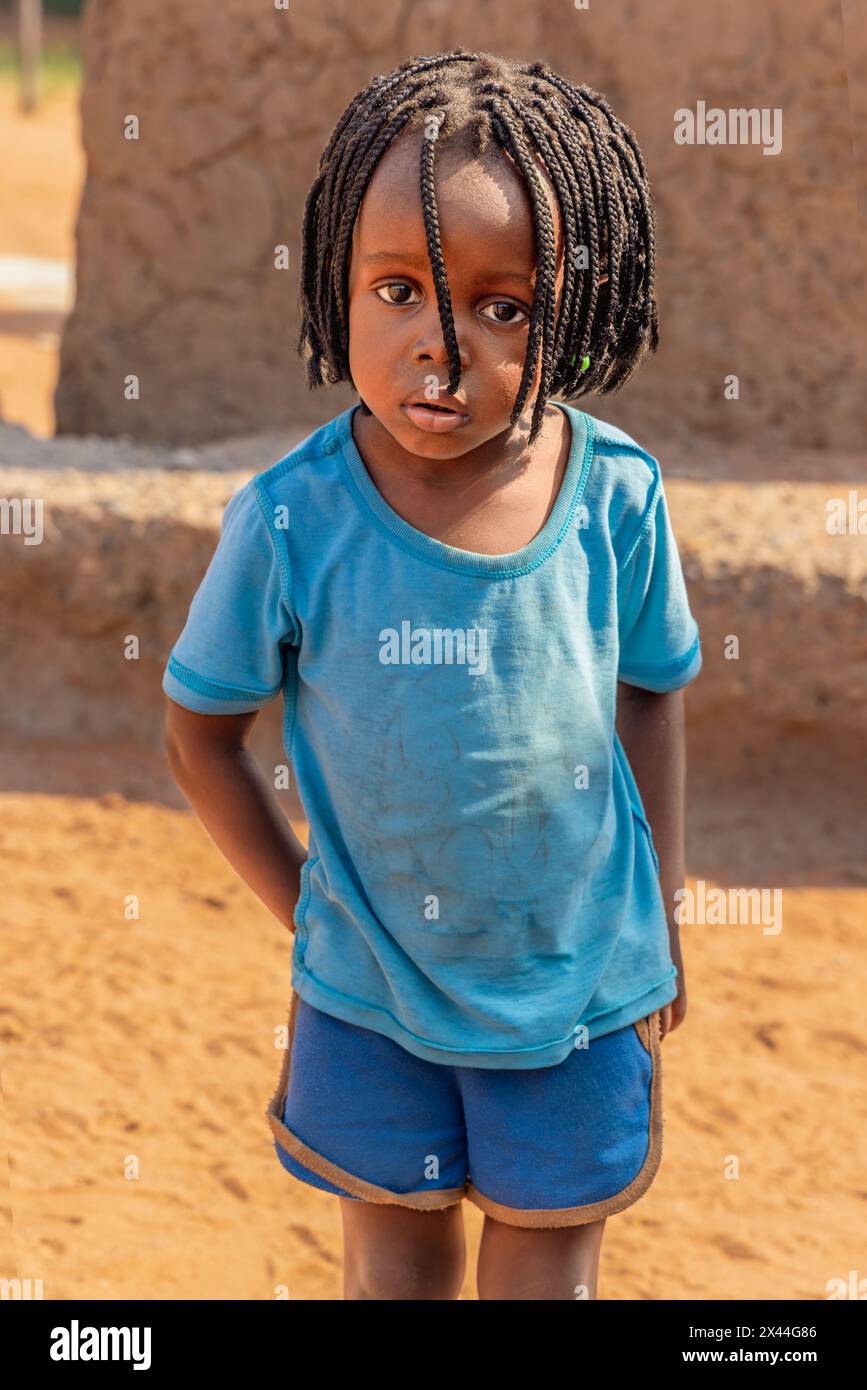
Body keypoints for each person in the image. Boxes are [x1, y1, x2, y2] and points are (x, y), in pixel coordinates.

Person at [162, 49, 702, 1301]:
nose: (440, 351)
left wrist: (666, 899)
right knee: (390, 1278)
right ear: (330, 288)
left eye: (503, 307)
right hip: (368, 1002)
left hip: (575, 995)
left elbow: (652, 687)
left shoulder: (616, 493)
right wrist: (311, 909)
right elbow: (201, 733)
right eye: (397, 289)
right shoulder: (294, 521)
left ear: (574, 306)